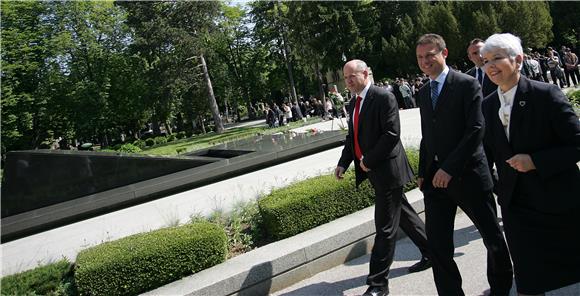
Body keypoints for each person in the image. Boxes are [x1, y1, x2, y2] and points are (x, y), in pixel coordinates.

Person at [480, 33, 580, 296]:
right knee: (529, 279)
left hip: (557, 203)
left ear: (519, 60)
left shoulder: (546, 95)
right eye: (486, 60)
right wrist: (497, 188)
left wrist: (535, 161)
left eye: (498, 58)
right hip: (517, 207)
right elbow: (487, 153)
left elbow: (576, 144)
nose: (490, 66)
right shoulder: (488, 105)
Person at [414, 33, 513, 296]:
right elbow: (428, 135)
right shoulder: (423, 93)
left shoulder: (467, 84)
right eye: (420, 57)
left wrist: (450, 167)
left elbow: (476, 129)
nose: (425, 61)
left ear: (443, 54)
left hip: (469, 175)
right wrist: (424, 171)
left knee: (492, 237)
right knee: (438, 245)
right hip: (435, 182)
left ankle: (501, 288)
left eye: (430, 55)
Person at [335, 59, 431, 296]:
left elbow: (391, 135)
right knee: (405, 216)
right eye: (345, 78)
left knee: (385, 228)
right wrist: (343, 163)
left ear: (365, 73)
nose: (348, 81)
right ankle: (433, 253)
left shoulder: (383, 97)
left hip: (388, 171)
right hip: (375, 171)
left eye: (352, 76)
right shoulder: (353, 103)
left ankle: (378, 284)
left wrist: (367, 160)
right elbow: (352, 137)